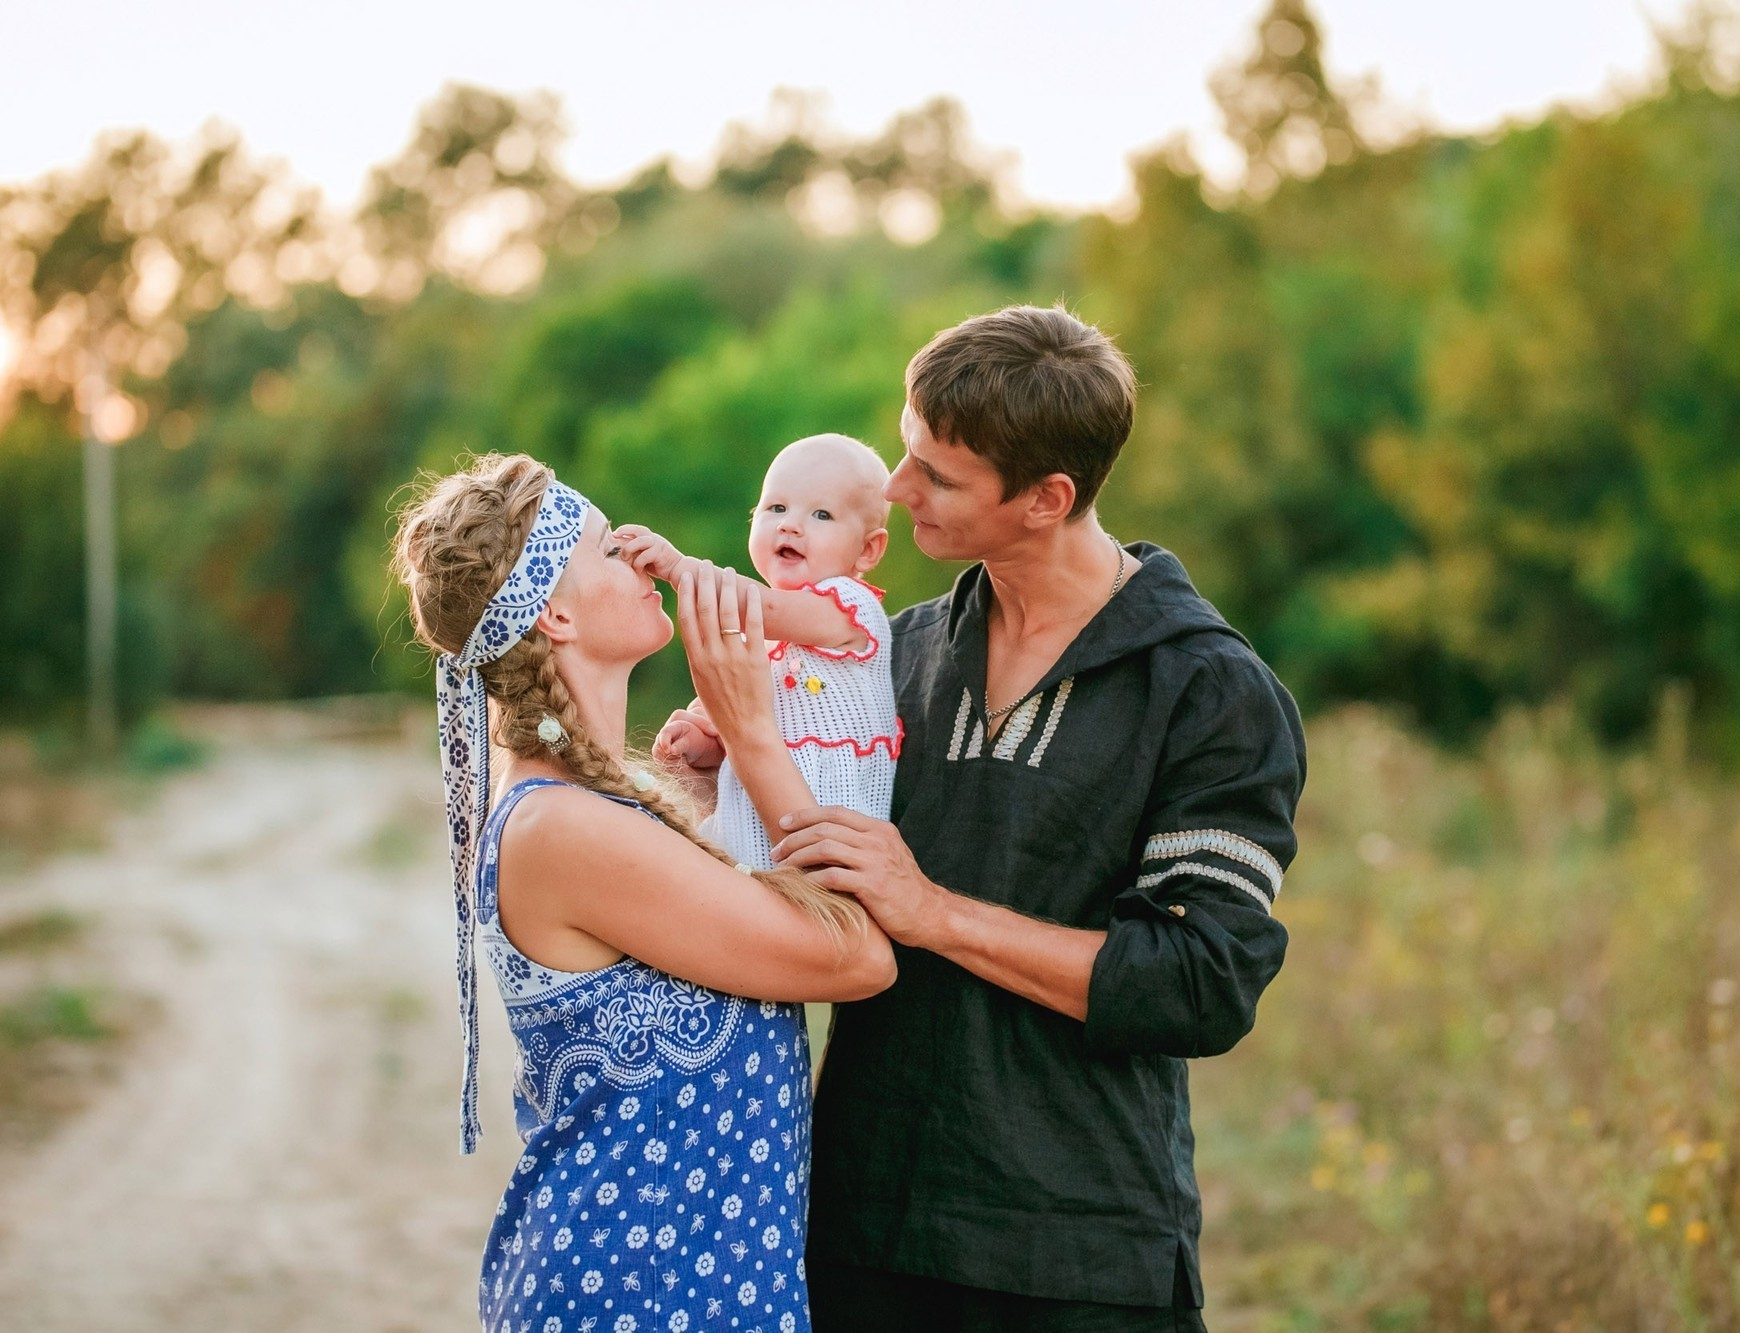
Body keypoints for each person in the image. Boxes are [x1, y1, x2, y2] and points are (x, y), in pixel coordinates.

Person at [771, 306, 1308, 1331]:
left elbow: (1196, 987)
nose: (893, 487)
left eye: (938, 473)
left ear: (1046, 499)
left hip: (1075, 1256)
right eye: (903, 447)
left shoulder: (1208, 692)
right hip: (857, 1233)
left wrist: (931, 910)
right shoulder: (892, 651)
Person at [392, 453, 895, 1333]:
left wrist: (725, 773)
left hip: (690, 1281)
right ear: (555, 609)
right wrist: (753, 734)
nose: (636, 554)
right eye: (603, 546)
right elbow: (856, 955)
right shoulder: (564, 829)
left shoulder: (608, 800)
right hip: (641, 1288)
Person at [612, 433, 901, 872]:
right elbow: (742, 732)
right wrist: (705, 745)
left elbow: (763, 606)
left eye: (821, 514)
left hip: (830, 841)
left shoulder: (848, 606)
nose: (790, 524)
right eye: (775, 508)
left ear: (868, 548)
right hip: (753, 838)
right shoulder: (763, 635)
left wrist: (680, 569)